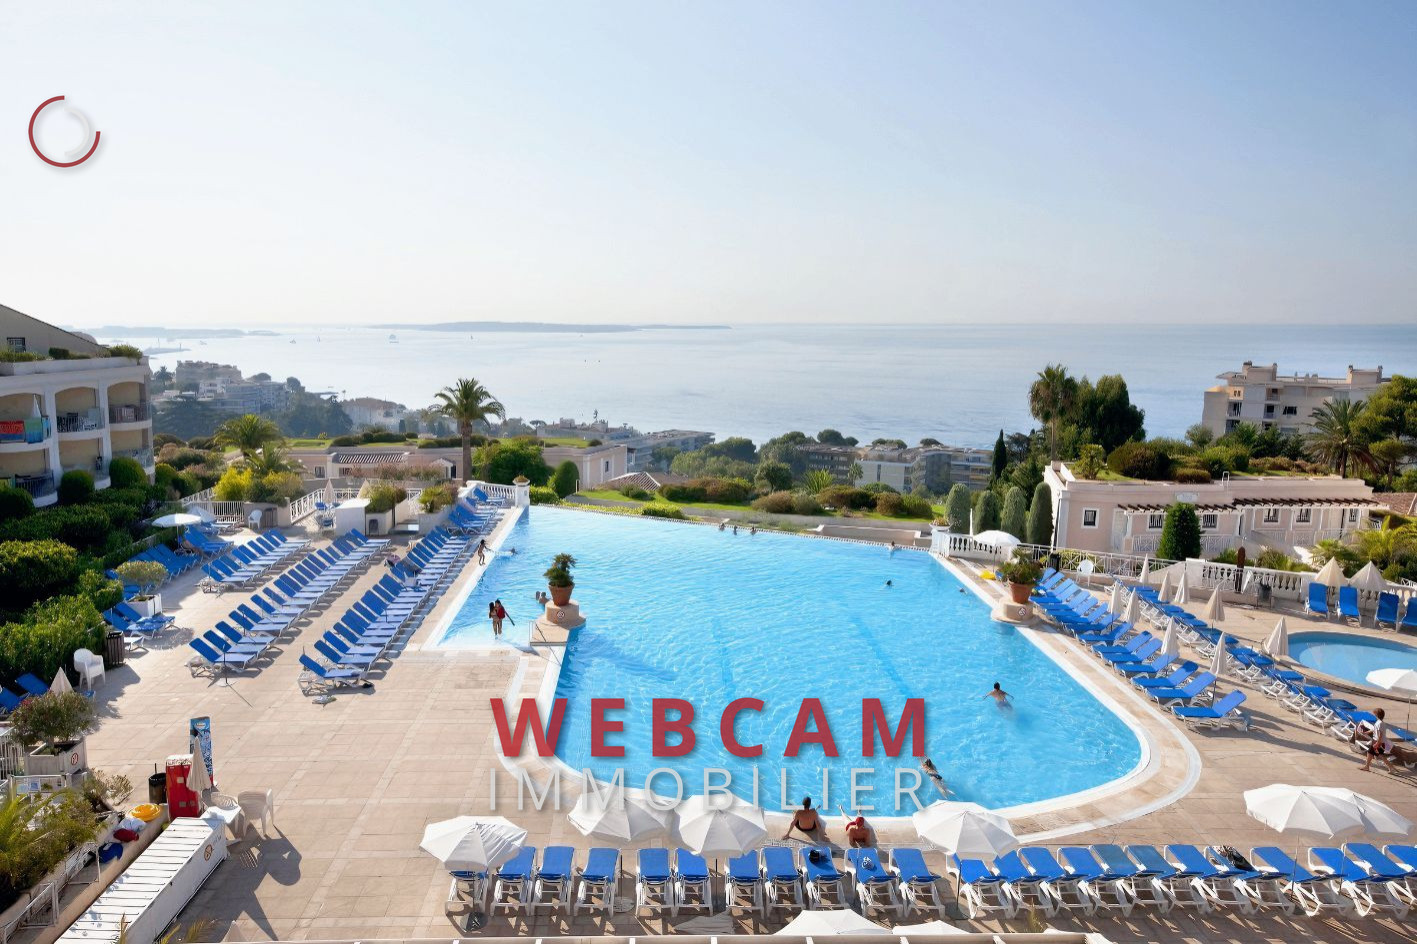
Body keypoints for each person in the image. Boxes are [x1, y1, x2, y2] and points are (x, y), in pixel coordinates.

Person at [1359, 707, 1398, 774]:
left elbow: (1380, 734)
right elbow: (1374, 729)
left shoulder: (1380, 724)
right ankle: (1367, 766)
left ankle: (1391, 767)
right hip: (1376, 741)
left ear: (1377, 715)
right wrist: (1366, 732)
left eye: (1374, 714)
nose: (1373, 715)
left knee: (1380, 755)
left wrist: (1377, 743)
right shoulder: (1379, 722)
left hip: (1379, 742)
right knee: (1371, 753)